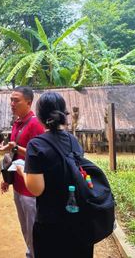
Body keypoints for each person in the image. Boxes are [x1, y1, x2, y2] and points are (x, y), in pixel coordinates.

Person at [18, 91, 94, 258]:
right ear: (63, 113)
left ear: (39, 116)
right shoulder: (73, 140)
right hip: (78, 220)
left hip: (51, 224)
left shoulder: (36, 145)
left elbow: (36, 189)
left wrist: (21, 170)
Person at [0, 86, 44, 258]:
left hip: (31, 188)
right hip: (18, 184)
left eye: (16, 100)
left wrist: (15, 147)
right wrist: (7, 178)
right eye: (11, 100)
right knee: (25, 228)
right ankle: (31, 253)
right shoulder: (17, 123)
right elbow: (15, 154)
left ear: (29, 103)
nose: (12, 104)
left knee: (33, 230)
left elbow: (39, 155)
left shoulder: (36, 124)